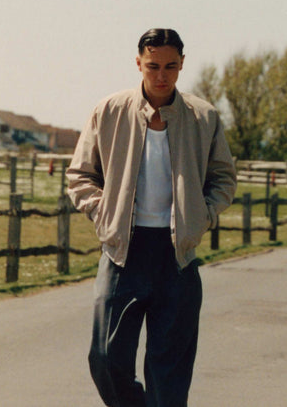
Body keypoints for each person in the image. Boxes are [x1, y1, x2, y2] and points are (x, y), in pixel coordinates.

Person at [67, 28, 237, 406]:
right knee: (106, 360)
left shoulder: (203, 117)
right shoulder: (109, 111)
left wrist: (203, 216)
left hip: (177, 257)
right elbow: (80, 176)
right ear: (139, 64)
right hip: (122, 253)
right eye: (153, 66)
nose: (161, 76)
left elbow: (224, 178)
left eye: (170, 66)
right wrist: (103, 213)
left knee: (169, 373)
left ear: (182, 65)